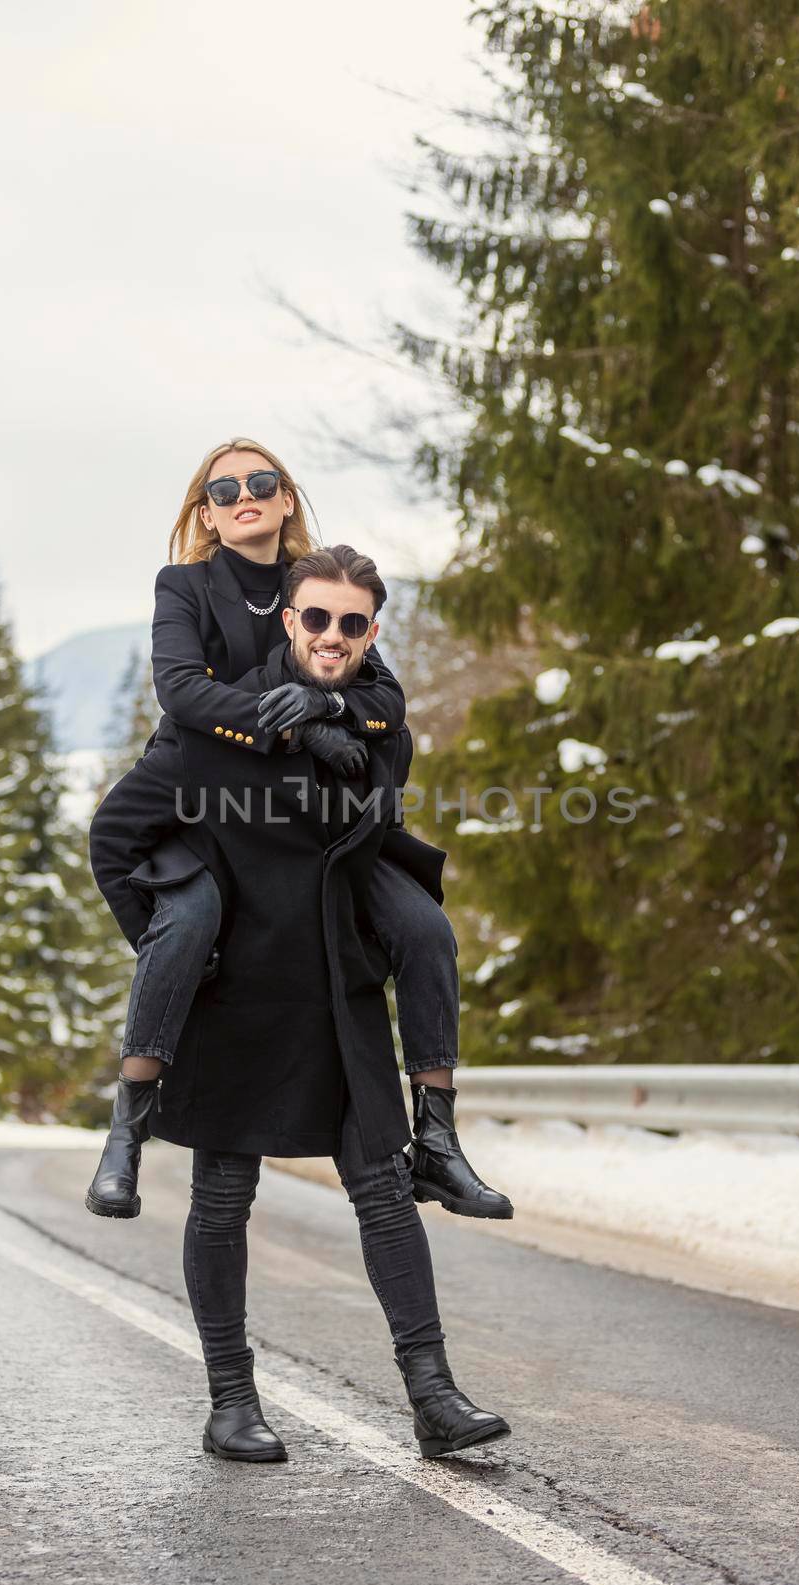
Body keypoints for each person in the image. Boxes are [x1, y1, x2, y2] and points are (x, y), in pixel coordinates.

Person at [87, 547, 511, 1461]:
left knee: (385, 1195)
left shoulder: (373, 727)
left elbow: (379, 799)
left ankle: (434, 1399)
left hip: (335, 988)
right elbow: (114, 838)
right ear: (287, 618)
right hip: (237, 993)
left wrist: (336, 716)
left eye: (352, 624)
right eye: (315, 618)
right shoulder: (211, 724)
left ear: (370, 634)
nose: (331, 637)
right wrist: (171, 946)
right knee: (222, 1199)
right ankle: (230, 1403)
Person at [85, 437, 511, 1224]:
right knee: (187, 925)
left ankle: (439, 1142)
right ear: (206, 515)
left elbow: (385, 696)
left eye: (261, 481)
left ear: (286, 499)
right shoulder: (183, 586)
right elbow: (180, 692)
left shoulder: (324, 579)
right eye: (223, 490)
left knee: (426, 932)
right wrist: (294, 729)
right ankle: (125, 1136)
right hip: (210, 794)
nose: (243, 494)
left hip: (321, 816)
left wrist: (332, 708)